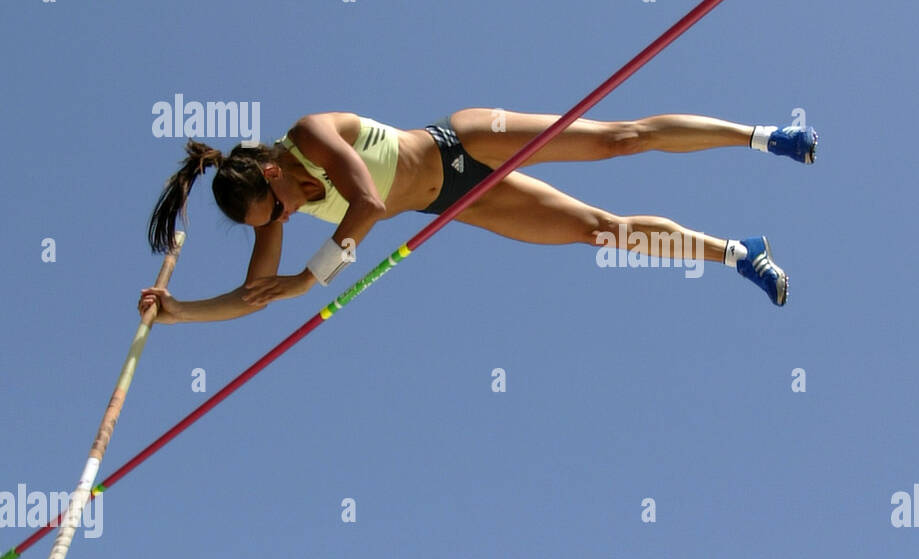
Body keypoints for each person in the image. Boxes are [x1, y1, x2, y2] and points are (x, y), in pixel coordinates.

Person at [139, 109, 817, 322]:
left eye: (279, 204)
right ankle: (737, 251)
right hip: (453, 201)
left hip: (463, 142)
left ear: (273, 170)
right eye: (273, 222)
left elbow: (369, 204)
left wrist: (307, 281)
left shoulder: (312, 135)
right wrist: (180, 310)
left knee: (619, 140)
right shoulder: (277, 213)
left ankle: (763, 136)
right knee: (598, 232)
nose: (283, 218)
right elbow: (252, 299)